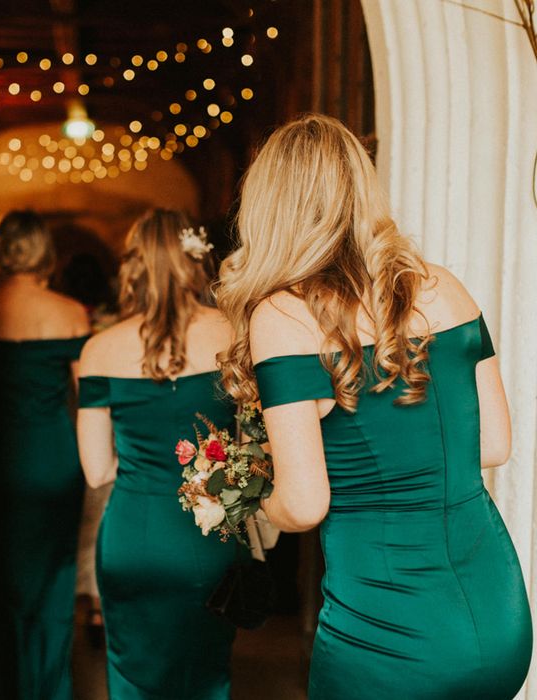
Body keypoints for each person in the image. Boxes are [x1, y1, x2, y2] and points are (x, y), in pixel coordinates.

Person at [216, 114, 533, 699]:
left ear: (268, 206)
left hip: (390, 629)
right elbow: (494, 444)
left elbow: (306, 504)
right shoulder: (443, 287)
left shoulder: (285, 316)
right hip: (500, 615)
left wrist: (256, 507)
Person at [77, 208, 241, 699]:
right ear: (196, 261)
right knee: (205, 676)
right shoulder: (235, 335)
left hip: (132, 539)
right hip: (207, 535)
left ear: (134, 267)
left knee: (132, 678)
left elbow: (96, 470)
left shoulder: (99, 350)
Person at [0, 210, 90, 699]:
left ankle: (2, 683)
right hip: (52, 458)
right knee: (53, 580)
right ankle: (48, 689)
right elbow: (86, 400)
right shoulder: (70, 313)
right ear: (44, 251)